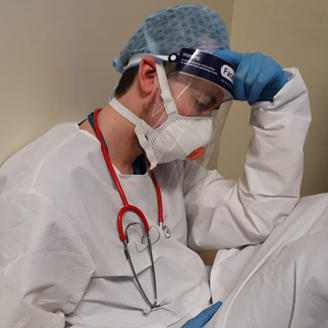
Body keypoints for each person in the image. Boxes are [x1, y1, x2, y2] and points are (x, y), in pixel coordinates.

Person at [0, 3, 320, 328]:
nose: (204, 126)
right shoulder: (45, 187)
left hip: (205, 299)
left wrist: (280, 104)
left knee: (322, 211)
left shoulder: (161, 164)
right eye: (199, 104)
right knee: (319, 264)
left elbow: (254, 214)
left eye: (212, 111)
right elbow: (19, 319)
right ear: (150, 76)